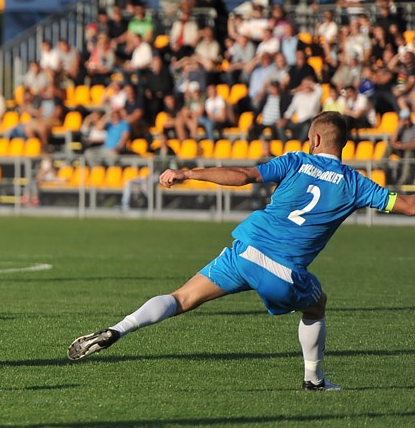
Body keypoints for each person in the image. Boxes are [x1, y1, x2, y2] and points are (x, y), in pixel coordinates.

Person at [68, 111, 415, 390]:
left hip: (246, 250)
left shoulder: (294, 161)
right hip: (283, 271)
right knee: (317, 304)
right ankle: (314, 380)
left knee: (182, 298)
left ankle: (118, 329)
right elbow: (409, 206)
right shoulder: (356, 183)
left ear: (316, 139)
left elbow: (243, 174)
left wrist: (188, 172)